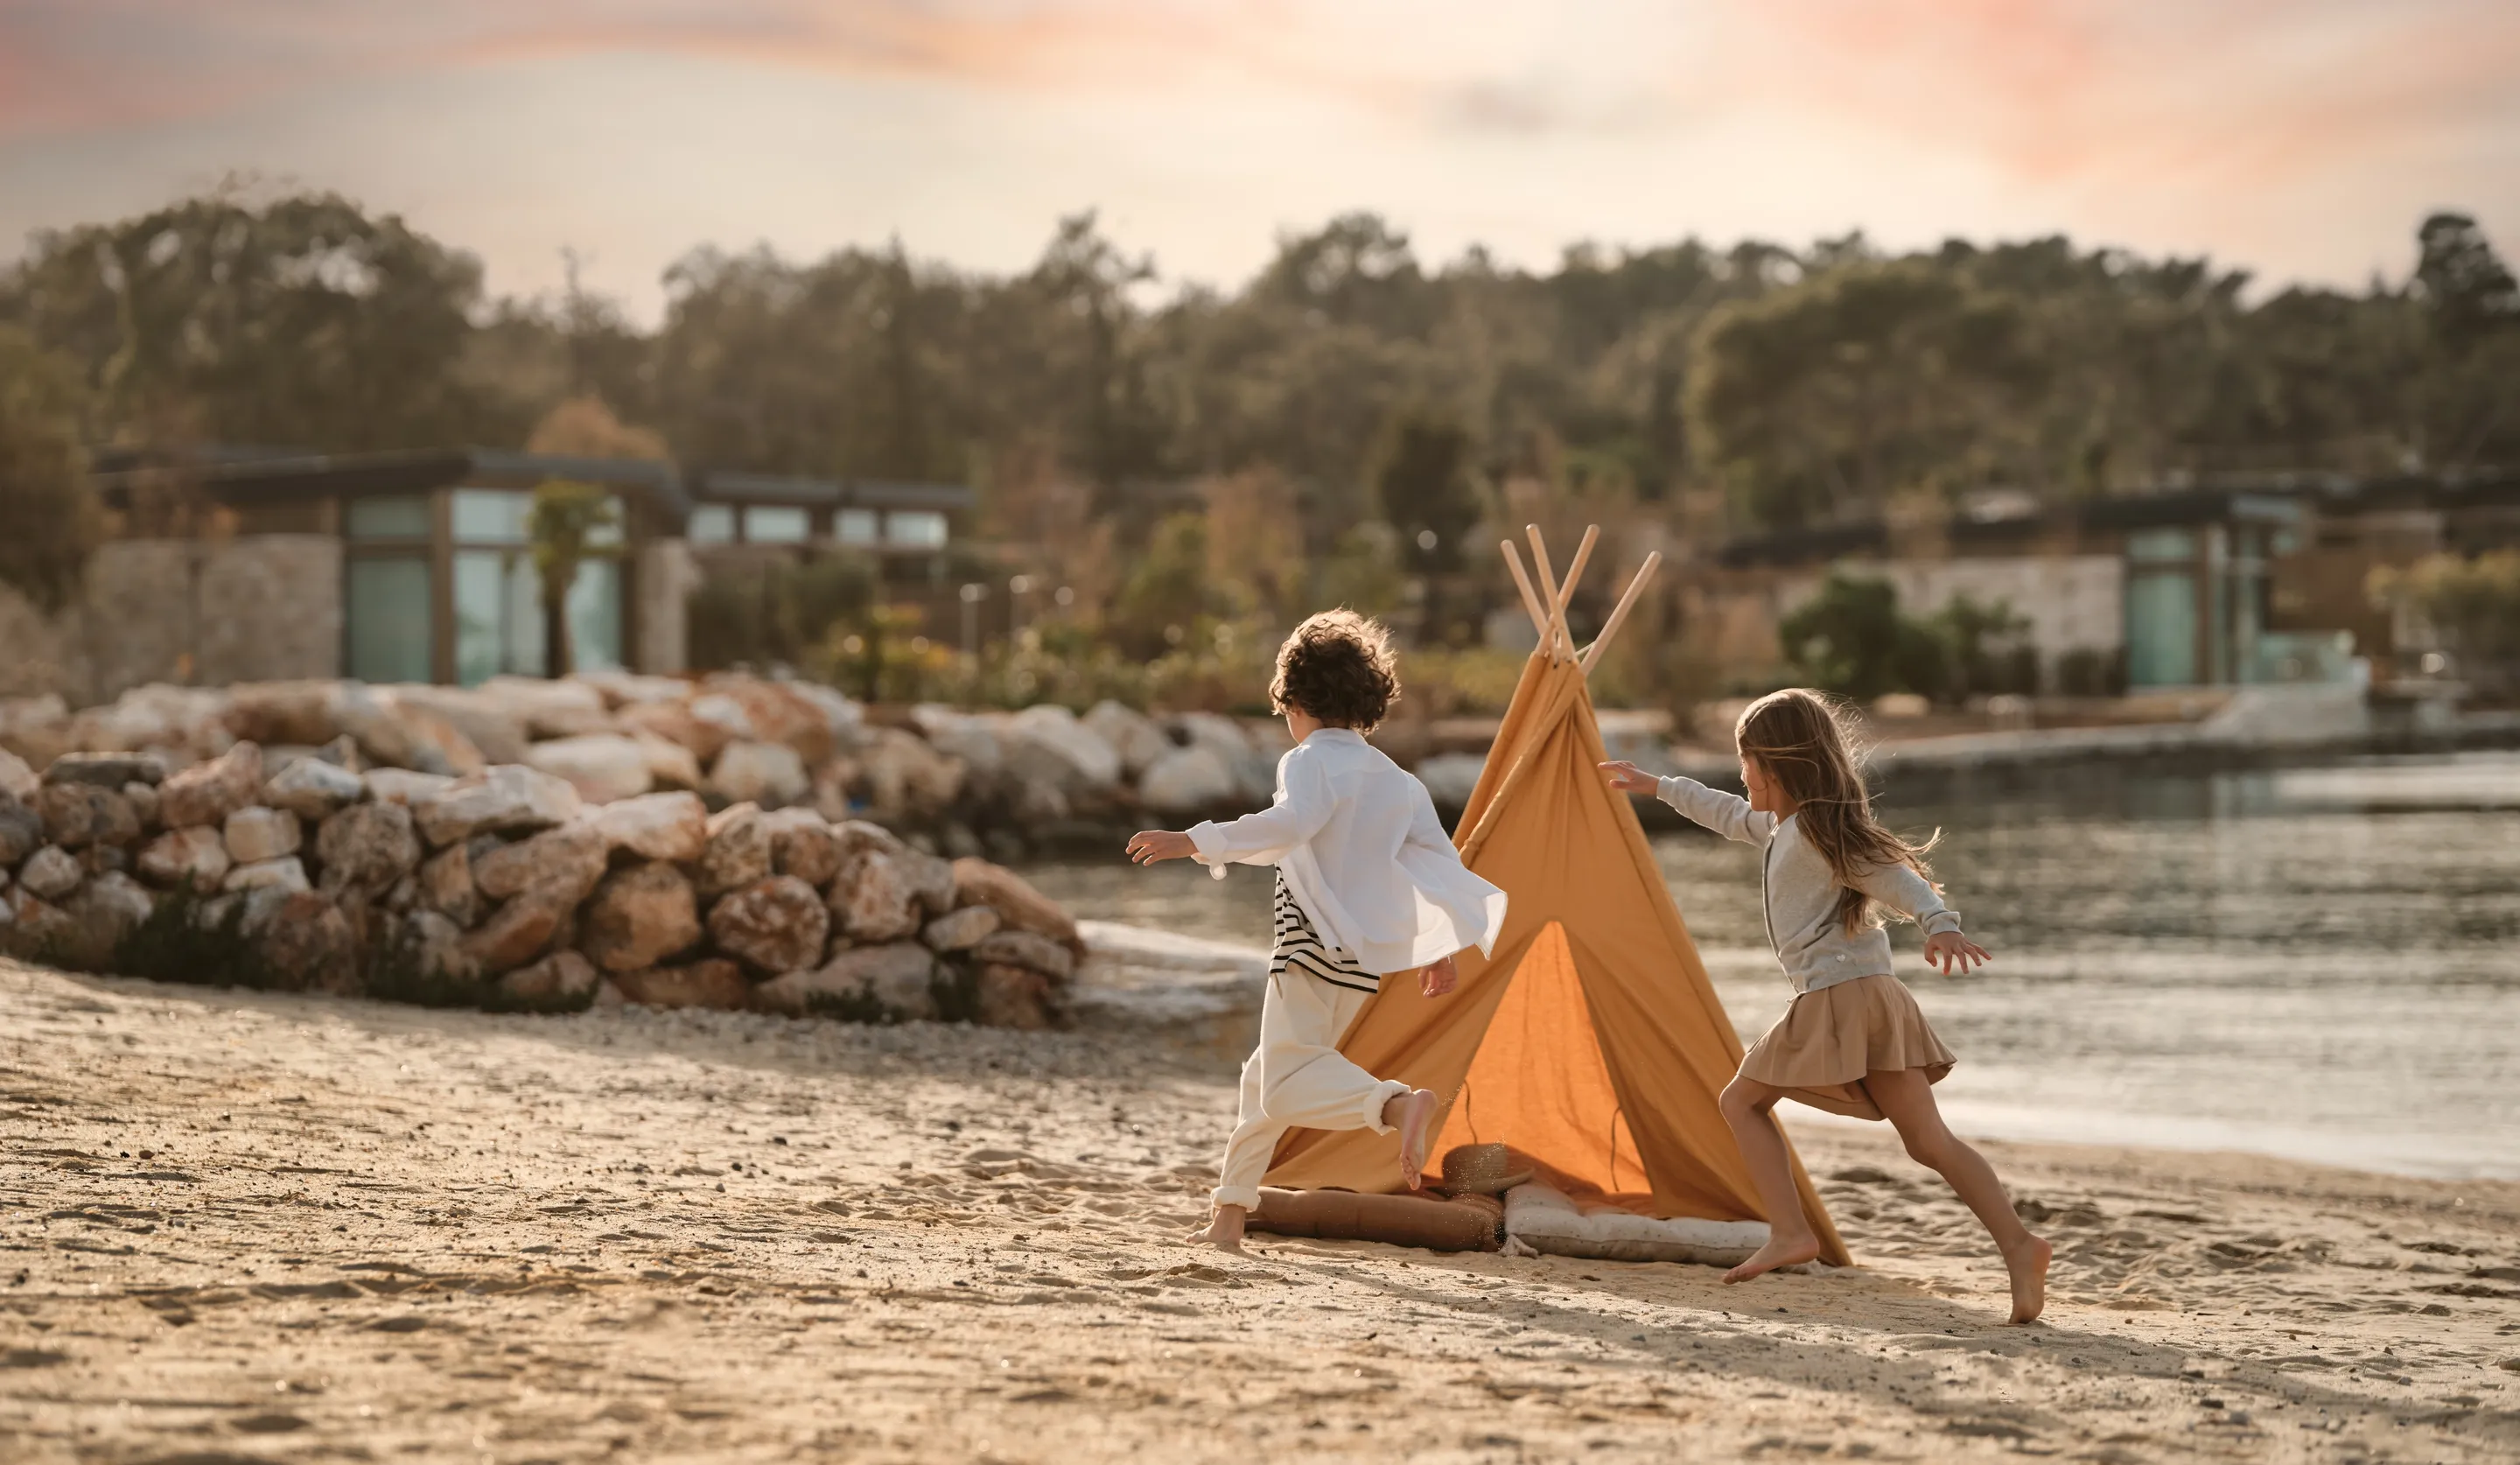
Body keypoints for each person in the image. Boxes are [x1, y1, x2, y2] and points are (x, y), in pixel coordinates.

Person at [1600, 688, 2050, 1323]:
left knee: (1740, 1101)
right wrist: (1659, 786)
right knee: (1927, 1140)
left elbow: (1894, 877)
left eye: (1747, 759)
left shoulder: (1817, 829)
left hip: (1839, 996)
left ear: (1780, 764)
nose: (1742, 773)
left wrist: (1939, 922)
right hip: (1864, 995)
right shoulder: (1785, 826)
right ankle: (2020, 1245)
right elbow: (1729, 813)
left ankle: (1791, 1232)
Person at [1128, 610, 1508, 1254]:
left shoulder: (1307, 762)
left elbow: (1288, 825)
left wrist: (1194, 840)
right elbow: (1436, 863)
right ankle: (1229, 1216)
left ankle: (1395, 1107)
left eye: (1285, 713)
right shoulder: (1400, 782)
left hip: (1305, 947)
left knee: (1284, 1082)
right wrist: (1441, 947)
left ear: (1296, 701)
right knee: (1265, 1078)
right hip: (1358, 964)